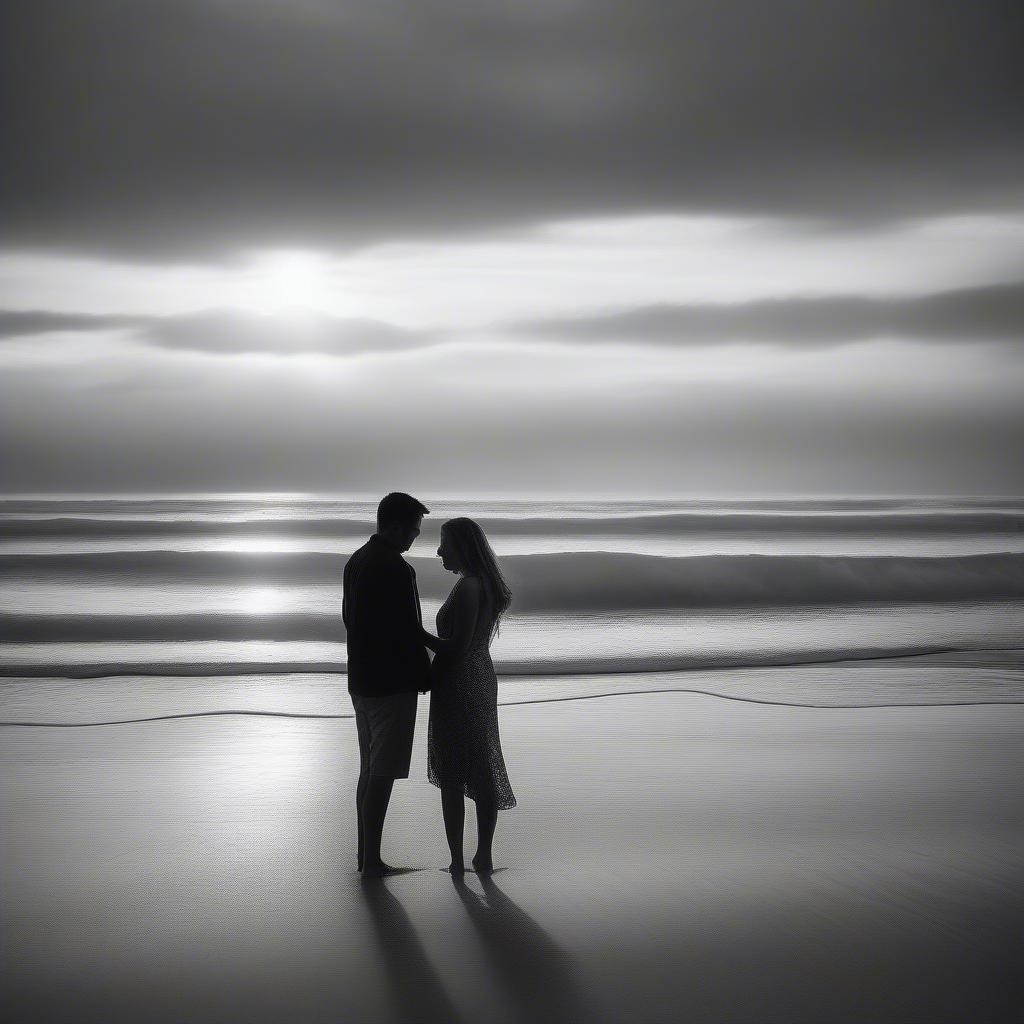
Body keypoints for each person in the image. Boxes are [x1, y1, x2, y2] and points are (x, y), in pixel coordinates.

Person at [343, 491, 431, 877]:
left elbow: (350, 620)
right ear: (395, 526)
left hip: (361, 678)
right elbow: (406, 632)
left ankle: (365, 856)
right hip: (389, 683)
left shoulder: (358, 560)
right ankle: (372, 861)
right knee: (382, 771)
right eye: (413, 530)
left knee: (369, 768)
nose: (414, 537)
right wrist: (424, 673)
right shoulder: (394, 568)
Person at [423, 517, 516, 875]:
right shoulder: (486, 585)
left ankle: (458, 860)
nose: (439, 550)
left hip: (459, 681)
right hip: (481, 676)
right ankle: (484, 855)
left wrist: (414, 632)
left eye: (444, 543)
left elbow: (455, 648)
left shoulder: (467, 588)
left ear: (461, 547)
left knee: (452, 771)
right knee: (481, 763)